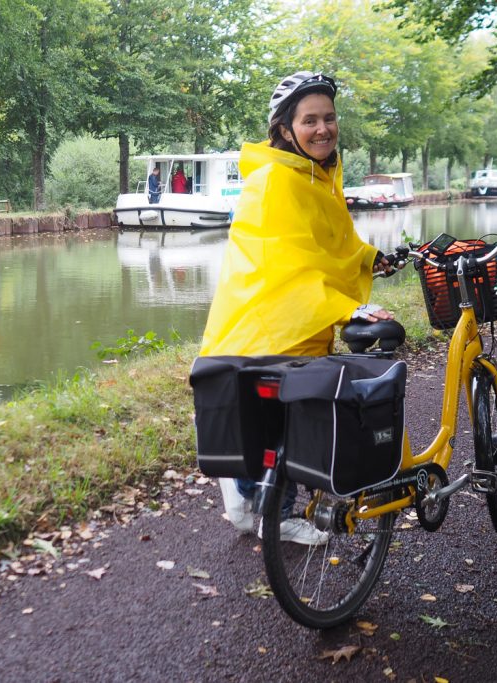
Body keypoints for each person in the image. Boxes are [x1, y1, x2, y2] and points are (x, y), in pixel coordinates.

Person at [199, 71, 394, 545]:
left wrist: (372, 258)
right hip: (266, 327)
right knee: (284, 421)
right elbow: (286, 260)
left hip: (294, 324)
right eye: (310, 120)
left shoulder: (316, 175)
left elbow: (331, 243)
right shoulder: (274, 182)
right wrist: (347, 309)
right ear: (286, 129)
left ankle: (252, 498)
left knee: (284, 419)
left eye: (329, 118)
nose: (323, 128)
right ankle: (271, 514)